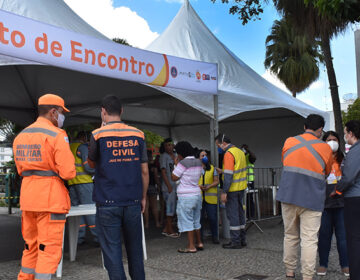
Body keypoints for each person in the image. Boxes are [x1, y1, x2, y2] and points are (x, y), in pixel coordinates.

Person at [13, 93, 76, 280]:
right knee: (48, 250)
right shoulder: (57, 135)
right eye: (62, 113)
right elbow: (68, 172)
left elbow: (20, 170)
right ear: (53, 112)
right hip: (50, 199)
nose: (63, 117)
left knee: (30, 246)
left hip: (28, 198)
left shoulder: (21, 136)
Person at [88, 95, 149, 280]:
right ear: (122, 111)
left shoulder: (97, 135)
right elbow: (144, 171)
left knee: (112, 253)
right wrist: (143, 197)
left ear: (103, 112)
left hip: (107, 202)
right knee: (135, 250)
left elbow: (91, 164)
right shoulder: (138, 134)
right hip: (132, 201)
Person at [276, 114, 333, 280]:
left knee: (290, 235)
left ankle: (289, 272)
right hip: (312, 198)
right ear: (320, 130)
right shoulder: (325, 148)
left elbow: (286, 162)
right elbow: (327, 171)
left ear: (304, 126)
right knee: (309, 239)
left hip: (289, 195)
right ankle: (307, 276)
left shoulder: (289, 141)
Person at [316, 131, 349, 277]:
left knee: (343, 237)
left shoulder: (345, 159)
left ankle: (346, 265)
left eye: (334, 140)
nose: (332, 142)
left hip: (342, 204)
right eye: (328, 140)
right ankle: (323, 264)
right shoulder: (319, 159)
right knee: (324, 236)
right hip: (324, 204)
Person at [335, 120, 360, 280]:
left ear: (351, 133)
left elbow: (349, 176)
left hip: (354, 198)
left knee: (354, 239)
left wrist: (337, 189)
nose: (344, 135)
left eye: (345, 132)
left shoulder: (355, 151)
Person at [215, 133, 248, 249]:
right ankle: (242, 239)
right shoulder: (239, 151)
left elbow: (229, 176)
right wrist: (223, 171)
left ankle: (235, 241)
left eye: (218, 145)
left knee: (233, 215)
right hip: (241, 188)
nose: (218, 148)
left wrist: (224, 192)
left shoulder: (228, 154)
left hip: (232, 189)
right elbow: (235, 170)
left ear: (223, 143)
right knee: (240, 214)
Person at [171, 141, 203, 253]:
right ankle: (199, 242)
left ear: (181, 152)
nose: (177, 155)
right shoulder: (198, 161)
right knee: (196, 219)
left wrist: (175, 165)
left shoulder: (183, 163)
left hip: (186, 196)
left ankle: (191, 246)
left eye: (178, 153)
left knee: (187, 220)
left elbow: (174, 177)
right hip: (197, 194)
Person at [68, 131, 97, 244]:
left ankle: (79, 238)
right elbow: (88, 167)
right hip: (85, 183)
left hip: (72, 183)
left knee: (77, 213)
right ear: (84, 138)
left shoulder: (69, 147)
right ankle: (97, 237)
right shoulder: (83, 147)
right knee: (90, 210)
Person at [198, 150, 220, 244]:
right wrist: (199, 187)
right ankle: (200, 238)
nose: (205, 157)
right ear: (198, 158)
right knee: (199, 219)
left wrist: (209, 186)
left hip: (210, 198)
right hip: (199, 198)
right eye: (202, 155)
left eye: (206, 155)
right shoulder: (195, 169)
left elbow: (216, 181)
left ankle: (215, 237)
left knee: (212, 218)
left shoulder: (212, 168)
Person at [160, 138, 179, 237]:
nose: (169, 147)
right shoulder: (164, 157)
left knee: (174, 208)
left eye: (170, 145)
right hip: (168, 187)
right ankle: (169, 230)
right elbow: (163, 172)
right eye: (167, 145)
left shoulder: (175, 156)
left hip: (175, 185)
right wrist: (168, 186)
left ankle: (166, 228)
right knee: (170, 208)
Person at [144, 150, 161, 228]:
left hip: (144, 187)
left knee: (146, 207)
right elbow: (156, 179)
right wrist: (159, 186)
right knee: (154, 206)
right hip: (152, 187)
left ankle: (146, 224)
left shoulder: (142, 167)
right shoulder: (154, 167)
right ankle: (157, 223)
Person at [241, 144, 256, 219]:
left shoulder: (249, 157)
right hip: (242, 181)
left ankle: (251, 216)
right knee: (243, 199)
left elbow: (254, 157)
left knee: (249, 198)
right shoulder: (241, 157)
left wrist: (248, 151)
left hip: (250, 181)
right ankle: (245, 215)